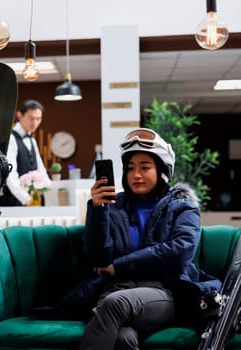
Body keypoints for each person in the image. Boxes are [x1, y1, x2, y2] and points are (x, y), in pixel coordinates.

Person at [77, 128, 222, 349]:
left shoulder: (183, 207)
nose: (136, 175)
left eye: (145, 167)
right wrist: (98, 210)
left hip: (164, 292)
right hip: (117, 289)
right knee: (122, 338)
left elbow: (179, 252)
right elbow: (97, 257)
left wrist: (120, 266)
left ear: (163, 170)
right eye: (130, 168)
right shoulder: (114, 206)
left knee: (115, 304)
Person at [0, 99, 51, 206]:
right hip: (14, 201)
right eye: (31, 118)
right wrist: (26, 199)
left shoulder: (32, 140)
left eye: (38, 119)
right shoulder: (11, 139)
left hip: (32, 200)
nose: (35, 123)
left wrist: (51, 191)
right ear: (19, 115)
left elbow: (41, 171)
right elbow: (10, 174)